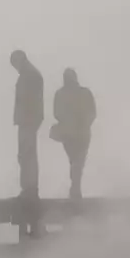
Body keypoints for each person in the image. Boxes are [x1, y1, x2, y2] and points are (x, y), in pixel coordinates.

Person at [10, 50, 45, 236]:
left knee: (27, 155)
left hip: (28, 121)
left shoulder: (30, 75)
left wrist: (31, 120)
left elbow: (31, 101)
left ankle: (29, 190)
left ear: (20, 59)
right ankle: (28, 189)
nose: (14, 67)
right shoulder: (29, 74)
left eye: (14, 63)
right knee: (25, 156)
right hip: (27, 121)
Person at [51, 67, 97, 200]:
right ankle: (75, 188)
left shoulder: (64, 93)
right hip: (75, 133)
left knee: (76, 162)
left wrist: (78, 123)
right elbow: (57, 113)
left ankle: (75, 188)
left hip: (78, 133)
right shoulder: (82, 93)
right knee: (77, 162)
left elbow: (92, 112)